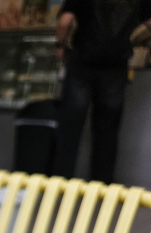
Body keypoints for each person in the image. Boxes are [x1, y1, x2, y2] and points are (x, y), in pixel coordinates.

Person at [53, 0, 151, 184]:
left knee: (70, 128)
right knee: (107, 133)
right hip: (115, 67)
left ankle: (61, 182)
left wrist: (60, 46)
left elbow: (64, 22)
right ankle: (101, 185)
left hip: (82, 62)